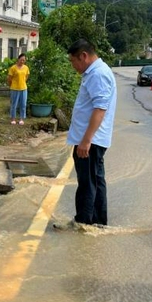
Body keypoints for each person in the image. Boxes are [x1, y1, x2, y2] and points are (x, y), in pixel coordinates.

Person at [57, 39, 117, 229]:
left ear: (83, 56)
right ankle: (97, 222)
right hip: (93, 139)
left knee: (87, 183)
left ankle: (83, 222)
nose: (73, 65)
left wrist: (86, 140)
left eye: (73, 61)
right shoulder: (96, 72)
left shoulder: (98, 74)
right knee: (96, 180)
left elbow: (100, 109)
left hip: (91, 140)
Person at [7, 53, 30, 125]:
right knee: (14, 104)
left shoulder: (26, 68)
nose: (22, 61)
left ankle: (21, 119)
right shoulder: (13, 68)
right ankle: (13, 119)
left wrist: (23, 82)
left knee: (23, 104)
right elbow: (9, 78)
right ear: (18, 59)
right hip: (14, 88)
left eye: (24, 60)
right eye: (21, 60)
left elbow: (27, 76)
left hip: (24, 88)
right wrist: (11, 85)